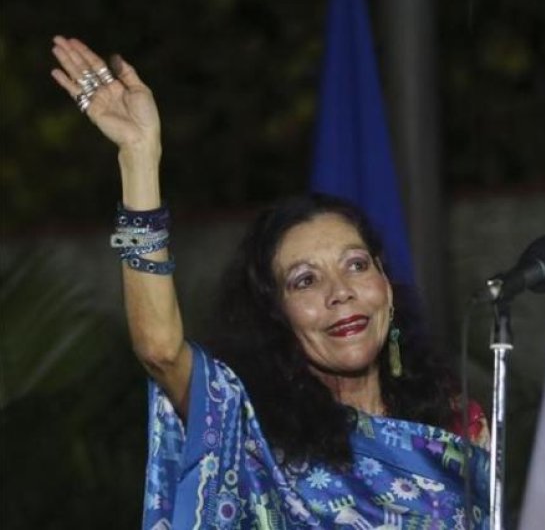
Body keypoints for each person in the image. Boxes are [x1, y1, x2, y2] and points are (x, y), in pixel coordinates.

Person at [50, 37, 489, 529]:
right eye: (305, 281)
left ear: (386, 282)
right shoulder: (246, 426)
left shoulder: (453, 425)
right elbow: (160, 349)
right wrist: (138, 157)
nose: (339, 291)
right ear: (275, 313)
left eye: (356, 265)